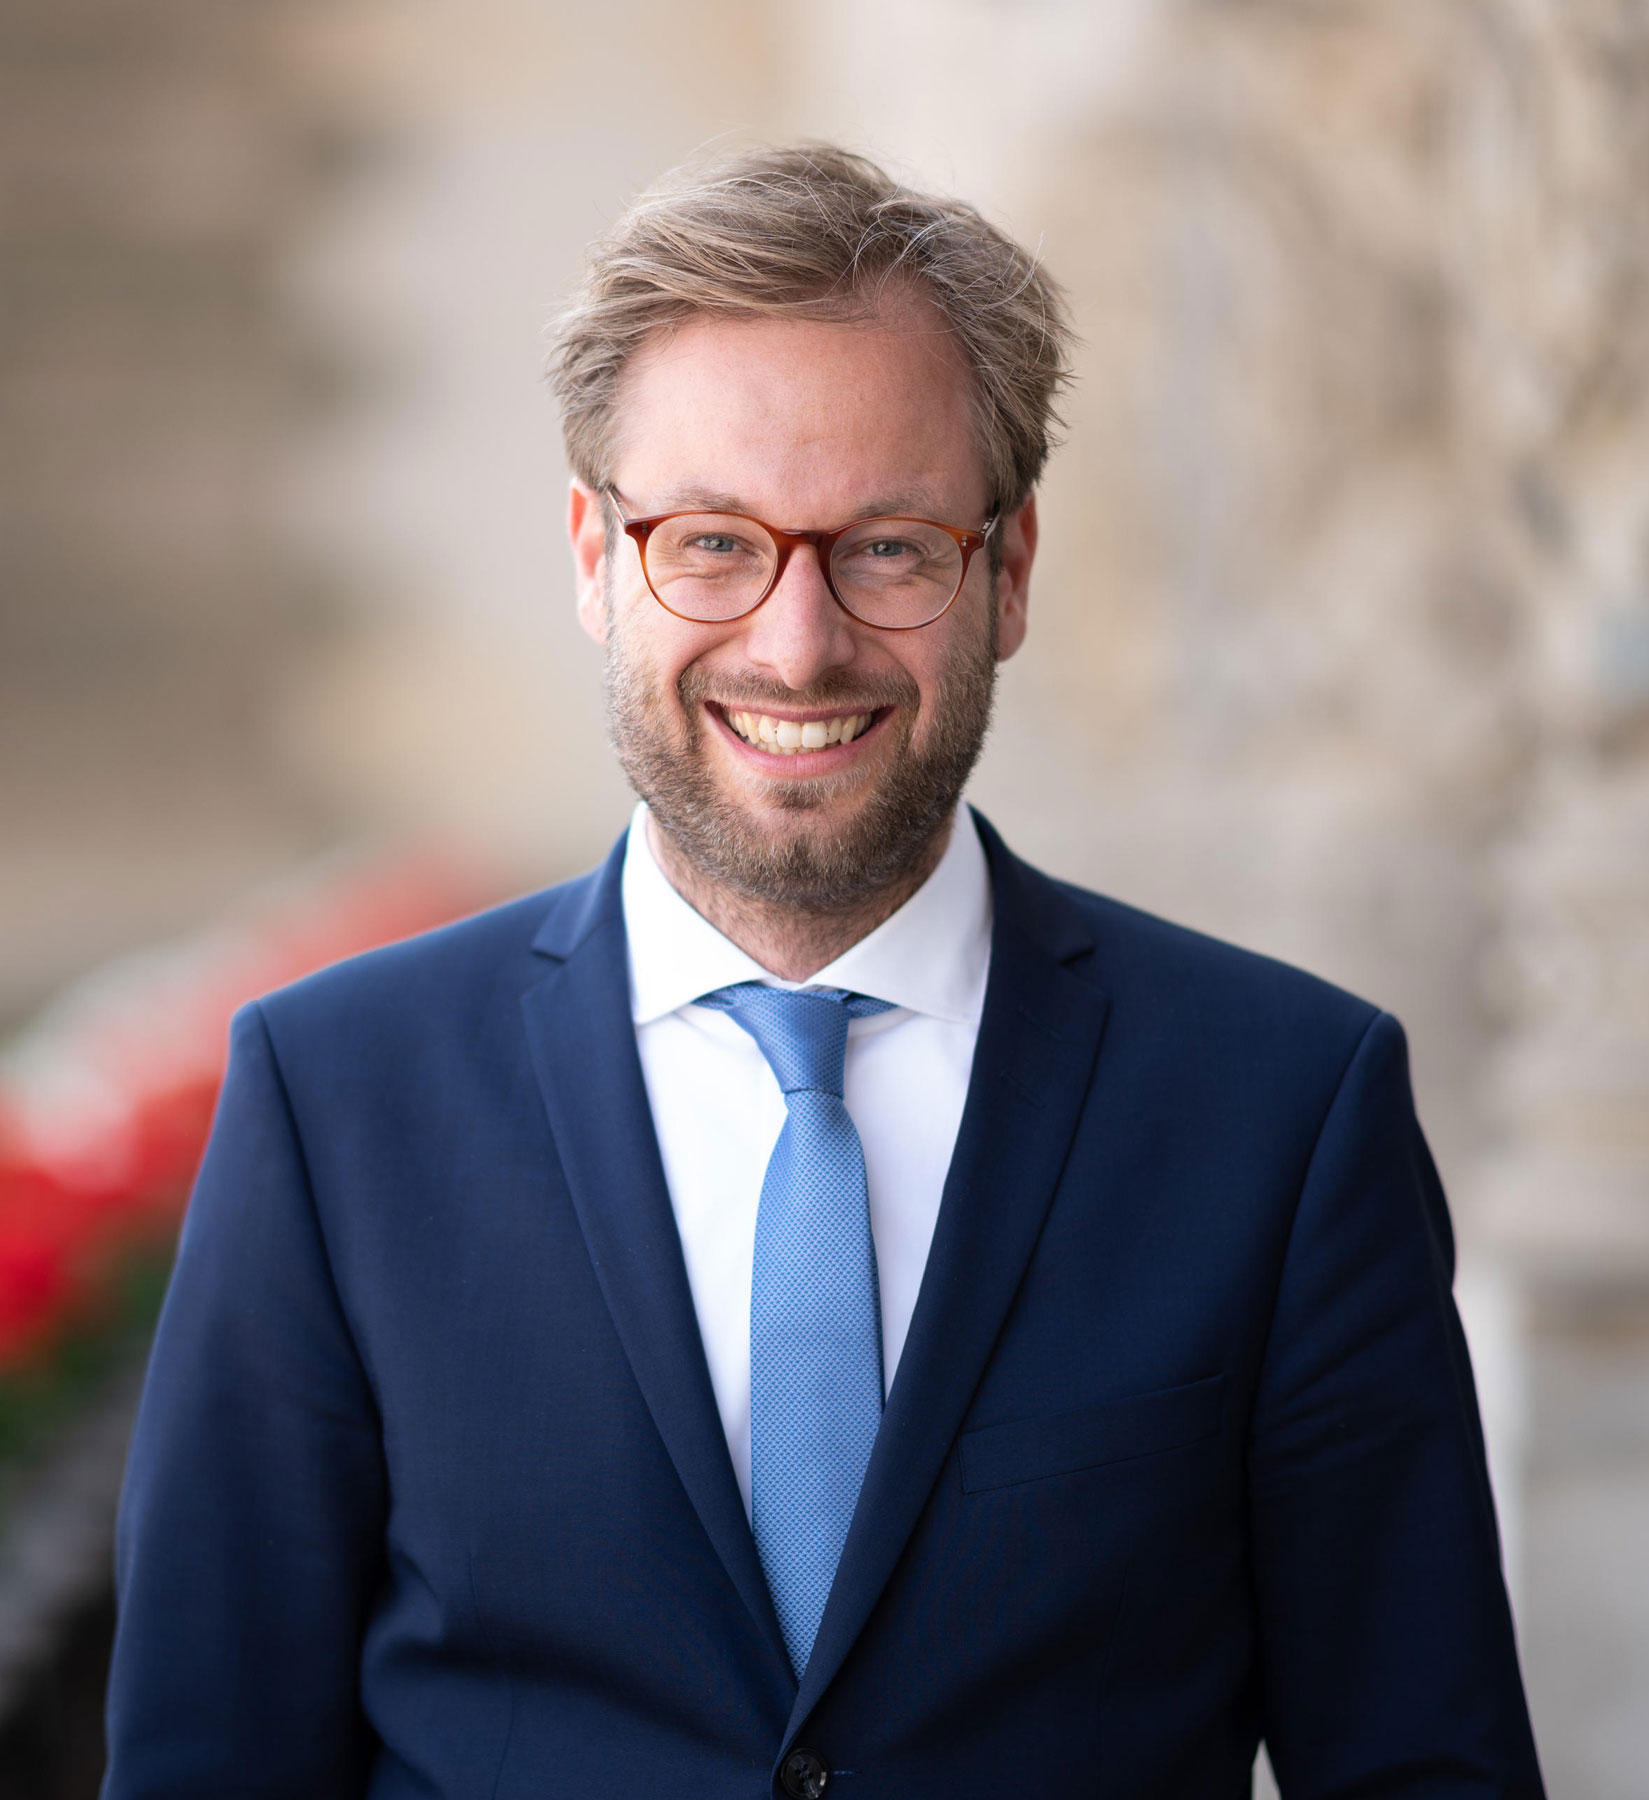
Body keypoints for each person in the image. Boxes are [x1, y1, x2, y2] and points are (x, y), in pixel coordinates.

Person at [102, 145, 1545, 1799]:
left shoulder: (1282, 1107)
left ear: (1004, 573)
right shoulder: (334, 1097)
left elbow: (1423, 1768)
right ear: (593, 557)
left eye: (888, 546)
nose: (797, 643)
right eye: (711, 543)